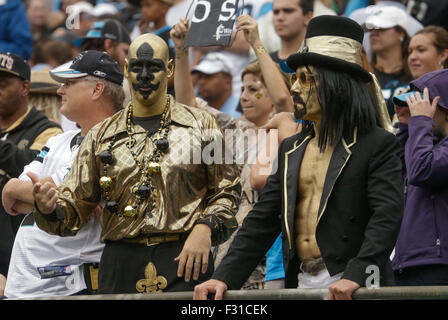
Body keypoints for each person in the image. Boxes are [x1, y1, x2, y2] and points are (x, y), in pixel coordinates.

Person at [194, 15, 403, 301]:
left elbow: (386, 216)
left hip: (355, 284)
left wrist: (358, 274)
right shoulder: (291, 147)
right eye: (295, 79)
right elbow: (263, 220)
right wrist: (222, 278)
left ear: (337, 85)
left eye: (306, 79)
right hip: (300, 281)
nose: (294, 88)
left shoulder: (378, 144)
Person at [30, 33, 241, 294]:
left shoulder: (201, 125)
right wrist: (49, 207)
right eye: (137, 68)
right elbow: (74, 207)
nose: (144, 76)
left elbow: (227, 190)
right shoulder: (101, 134)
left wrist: (206, 226)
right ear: (126, 69)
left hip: (184, 257)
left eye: (153, 67)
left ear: (170, 70)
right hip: (120, 260)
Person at [2, 51, 124, 298]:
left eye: (69, 83)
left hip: (69, 289)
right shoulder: (59, 140)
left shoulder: (117, 143)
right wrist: (39, 194)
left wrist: (42, 194)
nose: (60, 91)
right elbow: (11, 194)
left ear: (97, 89)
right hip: (27, 287)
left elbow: (69, 194)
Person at [0, 52, 62, 295]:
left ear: (25, 87)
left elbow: (32, 170)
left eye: (3, 85)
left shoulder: (48, 132)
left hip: (21, 252)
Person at [392, 69, 448, 286]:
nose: (413, 108)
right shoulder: (426, 142)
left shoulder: (431, 148)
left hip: (438, 265)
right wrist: (407, 127)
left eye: (421, 102)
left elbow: (422, 170)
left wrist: (420, 122)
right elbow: (395, 169)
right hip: (409, 262)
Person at [364, 6, 414, 119]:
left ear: (401, 33)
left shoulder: (416, 74)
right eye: (371, 28)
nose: (373, 33)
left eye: (381, 27)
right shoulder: (363, 74)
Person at [191, 53, 241, 119]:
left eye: (208, 76)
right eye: (200, 76)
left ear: (228, 81)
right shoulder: (195, 110)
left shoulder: (242, 112)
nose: (201, 82)